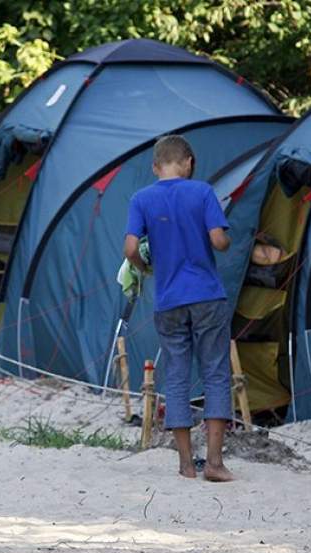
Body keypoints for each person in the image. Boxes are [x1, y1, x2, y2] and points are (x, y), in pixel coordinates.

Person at [124, 135, 234, 482]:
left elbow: (130, 249)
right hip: (206, 295)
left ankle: (186, 465)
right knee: (216, 372)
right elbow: (218, 240)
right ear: (188, 162)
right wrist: (225, 239)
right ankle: (214, 463)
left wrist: (145, 269)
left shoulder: (141, 198)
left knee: (176, 375)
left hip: (168, 300)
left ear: (156, 166)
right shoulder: (201, 192)